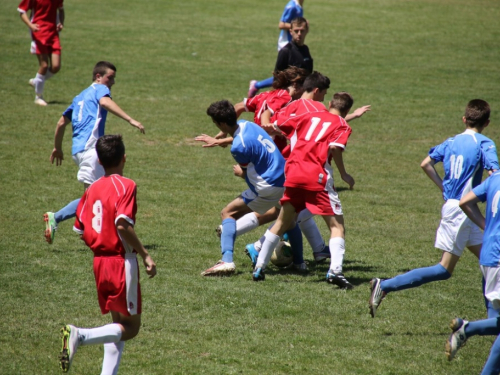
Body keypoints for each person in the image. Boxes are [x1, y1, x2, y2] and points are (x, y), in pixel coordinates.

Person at [369, 99, 499, 318]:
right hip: (466, 211)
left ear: (464, 119)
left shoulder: (450, 142)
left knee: (491, 260)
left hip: (456, 207)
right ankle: (385, 285)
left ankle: (493, 321)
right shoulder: (485, 144)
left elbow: (425, 163)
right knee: (444, 269)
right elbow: (494, 175)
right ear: (487, 123)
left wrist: (443, 188)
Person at [59, 134, 156, 374]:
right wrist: (145, 254)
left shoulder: (92, 189)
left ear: (99, 162)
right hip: (121, 263)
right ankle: (80, 335)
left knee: (117, 325)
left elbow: (80, 230)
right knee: (131, 327)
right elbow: (123, 224)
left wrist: (100, 243)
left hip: (99, 262)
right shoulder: (127, 185)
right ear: (124, 158)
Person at [252, 72, 355, 289]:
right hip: (316, 176)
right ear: (346, 111)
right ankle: (335, 271)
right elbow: (335, 147)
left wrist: (275, 128)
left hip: (293, 173)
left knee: (282, 222)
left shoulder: (308, 116)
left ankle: (259, 266)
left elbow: (281, 126)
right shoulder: (342, 125)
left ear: (329, 103)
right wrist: (344, 175)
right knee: (337, 227)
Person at [44, 61, 145, 245]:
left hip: (78, 151)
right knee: (94, 196)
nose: (112, 82)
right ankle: (64, 221)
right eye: (110, 77)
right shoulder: (100, 89)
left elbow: (60, 123)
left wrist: (57, 147)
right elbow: (105, 102)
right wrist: (131, 120)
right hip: (92, 150)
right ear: (98, 77)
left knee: (95, 194)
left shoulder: (79, 97)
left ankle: (88, 230)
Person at [200, 100, 306, 276]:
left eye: (216, 123)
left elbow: (248, 174)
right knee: (287, 218)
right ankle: (300, 263)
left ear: (223, 124)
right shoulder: (247, 124)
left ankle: (226, 261)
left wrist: (240, 174)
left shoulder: (238, 148)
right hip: (286, 178)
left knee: (228, 213)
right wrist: (218, 141)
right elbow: (242, 138)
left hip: (269, 186)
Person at [445, 168, 500, 373]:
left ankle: (466, 329)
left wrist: (487, 226)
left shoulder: (495, 178)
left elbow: (465, 201)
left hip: (488, 255)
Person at [248, 14, 311, 98]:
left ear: (307, 31)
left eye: (302, 31)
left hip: (303, 96)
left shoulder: (305, 50)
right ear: (290, 31)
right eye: (296, 31)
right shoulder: (286, 52)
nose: (299, 34)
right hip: (289, 98)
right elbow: (277, 79)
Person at [18, 0, 65, 106]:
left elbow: (61, 9)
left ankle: (36, 81)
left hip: (53, 33)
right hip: (39, 32)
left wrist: (61, 22)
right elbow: (22, 11)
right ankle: (38, 97)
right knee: (44, 65)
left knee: (56, 66)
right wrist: (30, 25)